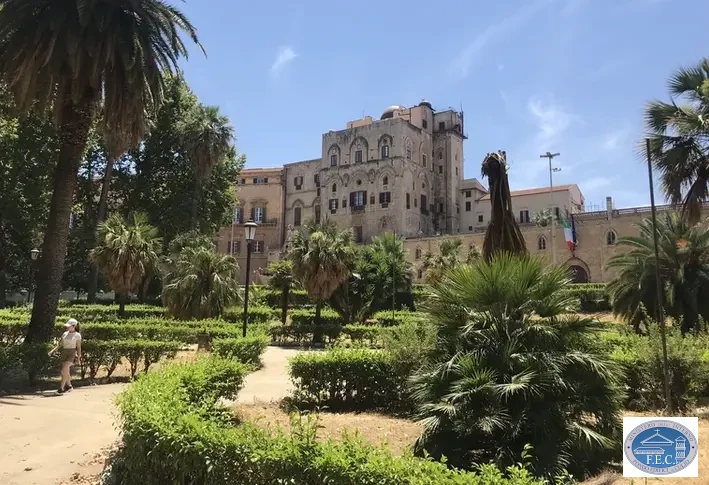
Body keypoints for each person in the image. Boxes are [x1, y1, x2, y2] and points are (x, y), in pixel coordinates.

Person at [48, 318, 82, 394]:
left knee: (64, 369)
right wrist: (52, 351)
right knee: (65, 371)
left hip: (71, 353)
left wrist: (78, 358)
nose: (67, 327)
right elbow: (60, 345)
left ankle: (61, 388)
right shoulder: (65, 334)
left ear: (74, 326)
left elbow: (79, 347)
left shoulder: (77, 335)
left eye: (69, 326)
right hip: (64, 353)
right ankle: (69, 385)